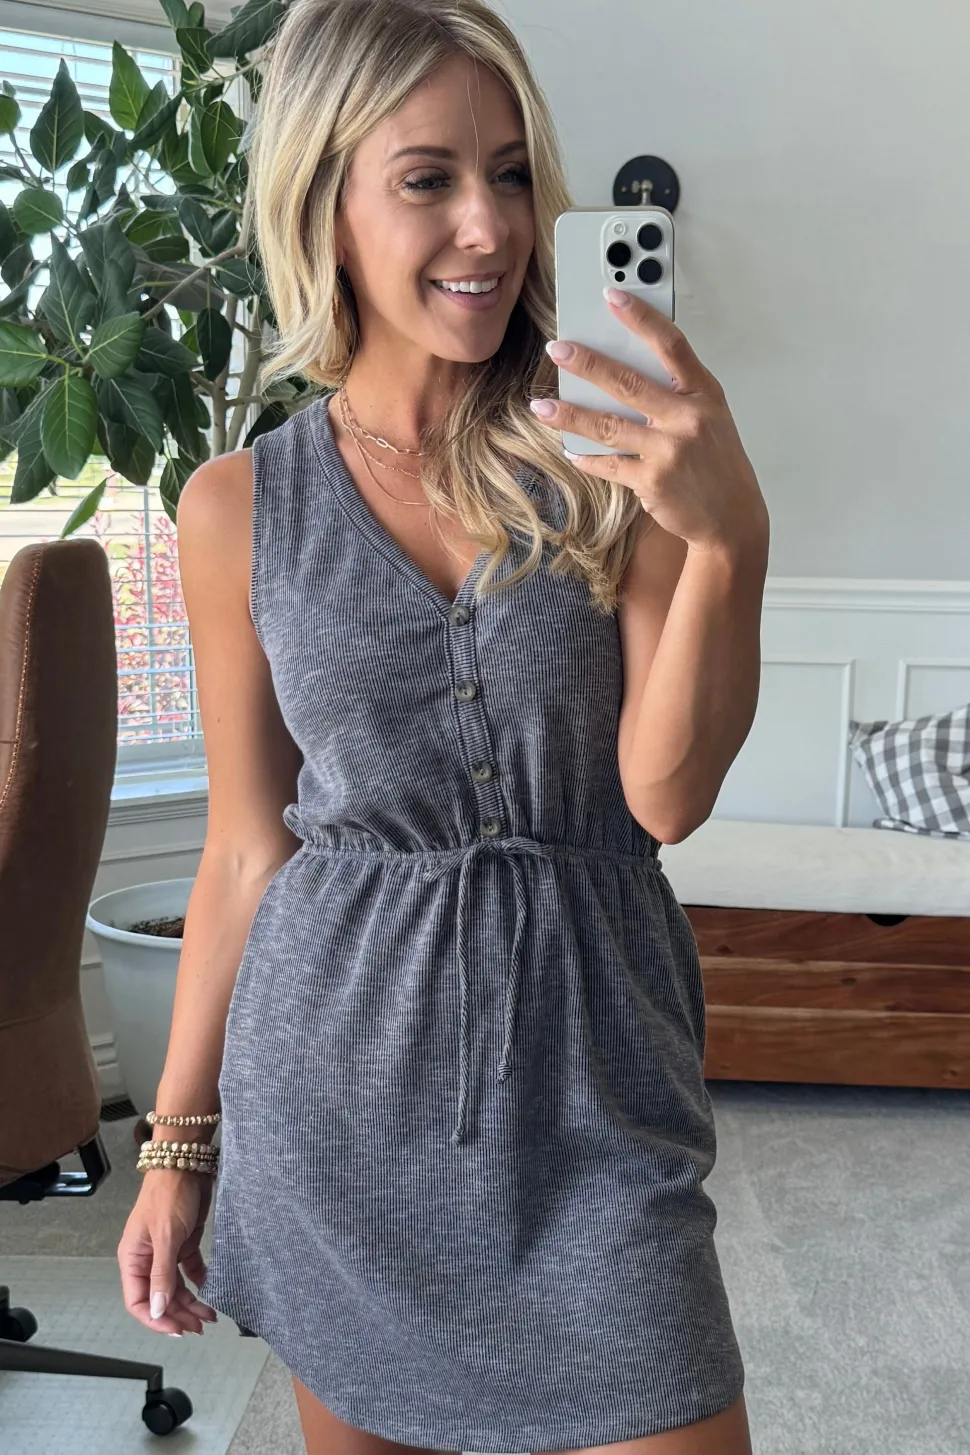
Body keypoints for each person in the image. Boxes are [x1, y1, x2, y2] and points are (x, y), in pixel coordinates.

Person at [118, 2, 769, 1452]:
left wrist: (729, 540)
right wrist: (175, 1146)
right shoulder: (236, 507)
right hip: (333, 1104)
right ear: (326, 205)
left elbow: (663, 798)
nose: (490, 227)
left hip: (593, 1094)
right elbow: (244, 852)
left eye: (513, 173)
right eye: (428, 179)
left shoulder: (609, 458)